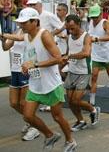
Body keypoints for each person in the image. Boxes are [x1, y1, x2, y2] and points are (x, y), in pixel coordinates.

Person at [17, 8, 77, 151]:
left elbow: (58, 58)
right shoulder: (26, 36)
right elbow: (32, 57)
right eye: (20, 23)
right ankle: (50, 135)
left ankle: (70, 141)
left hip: (51, 84)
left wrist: (35, 64)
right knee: (28, 116)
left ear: (35, 22)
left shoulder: (45, 35)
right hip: (35, 83)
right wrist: (26, 66)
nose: (21, 25)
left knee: (57, 117)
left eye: (24, 23)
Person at [1, 28, 40, 141]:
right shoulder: (16, 31)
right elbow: (6, 47)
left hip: (25, 70)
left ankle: (34, 127)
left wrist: (5, 34)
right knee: (13, 103)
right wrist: (3, 40)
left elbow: (19, 38)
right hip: (14, 70)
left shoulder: (31, 32)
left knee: (24, 103)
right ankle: (30, 120)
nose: (20, 23)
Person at [62, 14, 100, 131]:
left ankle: (93, 109)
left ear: (79, 24)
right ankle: (81, 121)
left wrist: (70, 56)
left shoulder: (86, 37)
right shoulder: (69, 37)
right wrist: (61, 67)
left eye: (73, 28)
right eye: (68, 28)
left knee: (76, 100)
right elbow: (68, 53)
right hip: (72, 71)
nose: (70, 31)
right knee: (70, 101)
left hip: (83, 72)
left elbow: (86, 53)